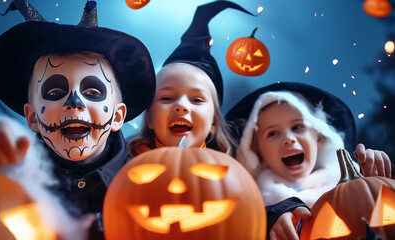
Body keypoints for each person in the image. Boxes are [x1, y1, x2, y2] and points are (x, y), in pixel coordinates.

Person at [0, 0, 155, 238]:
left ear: (117, 116)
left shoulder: (153, 178)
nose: (74, 103)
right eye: (55, 93)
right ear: (33, 117)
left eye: (93, 92)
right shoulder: (6, 178)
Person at [226, 82, 392, 240]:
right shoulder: (251, 207)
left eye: (297, 127)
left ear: (319, 137)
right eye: (272, 133)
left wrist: (377, 180)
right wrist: (270, 220)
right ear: (258, 155)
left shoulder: (354, 183)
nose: (288, 139)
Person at [127, 1, 253, 156]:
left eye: (197, 100)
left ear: (213, 122)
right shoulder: (124, 166)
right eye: (166, 98)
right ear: (149, 119)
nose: (181, 106)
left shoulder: (227, 172)